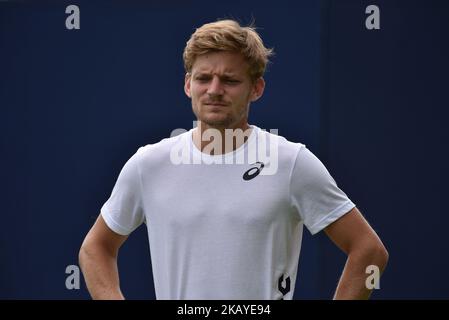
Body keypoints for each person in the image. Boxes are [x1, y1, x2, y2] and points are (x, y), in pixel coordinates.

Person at [79, 19, 388, 300]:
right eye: (204, 78)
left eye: (230, 80)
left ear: (257, 88)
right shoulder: (148, 165)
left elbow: (369, 251)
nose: (214, 90)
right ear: (188, 85)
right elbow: (95, 248)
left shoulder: (291, 162)